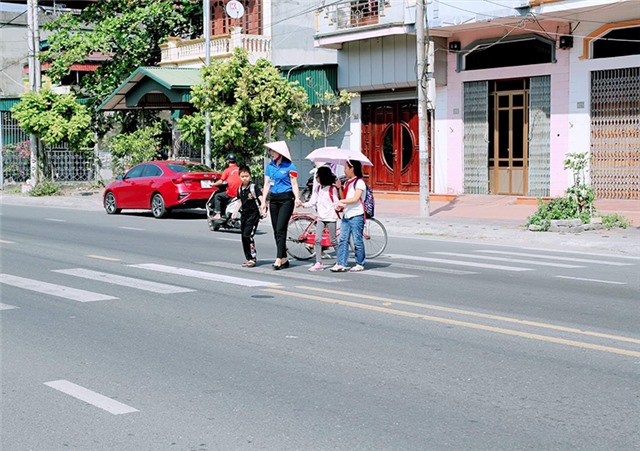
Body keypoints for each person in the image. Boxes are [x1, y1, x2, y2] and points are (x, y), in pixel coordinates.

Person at [260, 141, 300, 270]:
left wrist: (298, 198)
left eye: (273, 151)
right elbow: (266, 184)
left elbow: (294, 184)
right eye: (270, 151)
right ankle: (284, 257)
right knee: (276, 230)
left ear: (280, 153)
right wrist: (263, 202)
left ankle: (278, 258)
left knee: (281, 228)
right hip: (274, 199)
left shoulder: (290, 166)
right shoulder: (270, 167)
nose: (270, 153)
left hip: (286, 199)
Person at [296, 166, 340, 271]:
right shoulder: (318, 188)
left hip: (330, 218)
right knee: (317, 240)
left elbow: (336, 201)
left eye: (318, 175)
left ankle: (340, 260)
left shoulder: (332, 189)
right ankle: (318, 262)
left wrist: (338, 207)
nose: (316, 178)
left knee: (333, 240)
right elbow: (312, 202)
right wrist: (302, 204)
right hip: (321, 217)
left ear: (323, 176)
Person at [331, 159, 366, 272]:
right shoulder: (347, 182)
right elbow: (343, 197)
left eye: (346, 168)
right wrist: (339, 187)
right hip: (347, 214)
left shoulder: (359, 182)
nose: (345, 170)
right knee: (343, 239)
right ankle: (341, 263)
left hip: (356, 215)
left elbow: (355, 199)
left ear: (352, 169)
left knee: (357, 240)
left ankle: (360, 263)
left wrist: (343, 202)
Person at [231, 165, 265, 268]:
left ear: (250, 175)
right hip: (244, 215)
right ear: (239, 177)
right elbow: (239, 201)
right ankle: (248, 258)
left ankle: (253, 258)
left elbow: (261, 198)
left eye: (247, 176)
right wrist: (235, 212)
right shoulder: (240, 189)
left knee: (248, 235)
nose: (245, 178)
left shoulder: (253, 187)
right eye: (242, 176)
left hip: (253, 215)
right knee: (243, 237)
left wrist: (263, 209)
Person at [211, 154, 242, 220]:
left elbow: (221, 181)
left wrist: (213, 184)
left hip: (232, 193)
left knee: (217, 196)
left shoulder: (227, 170)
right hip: (241, 193)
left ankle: (218, 214)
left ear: (228, 161)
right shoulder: (240, 169)